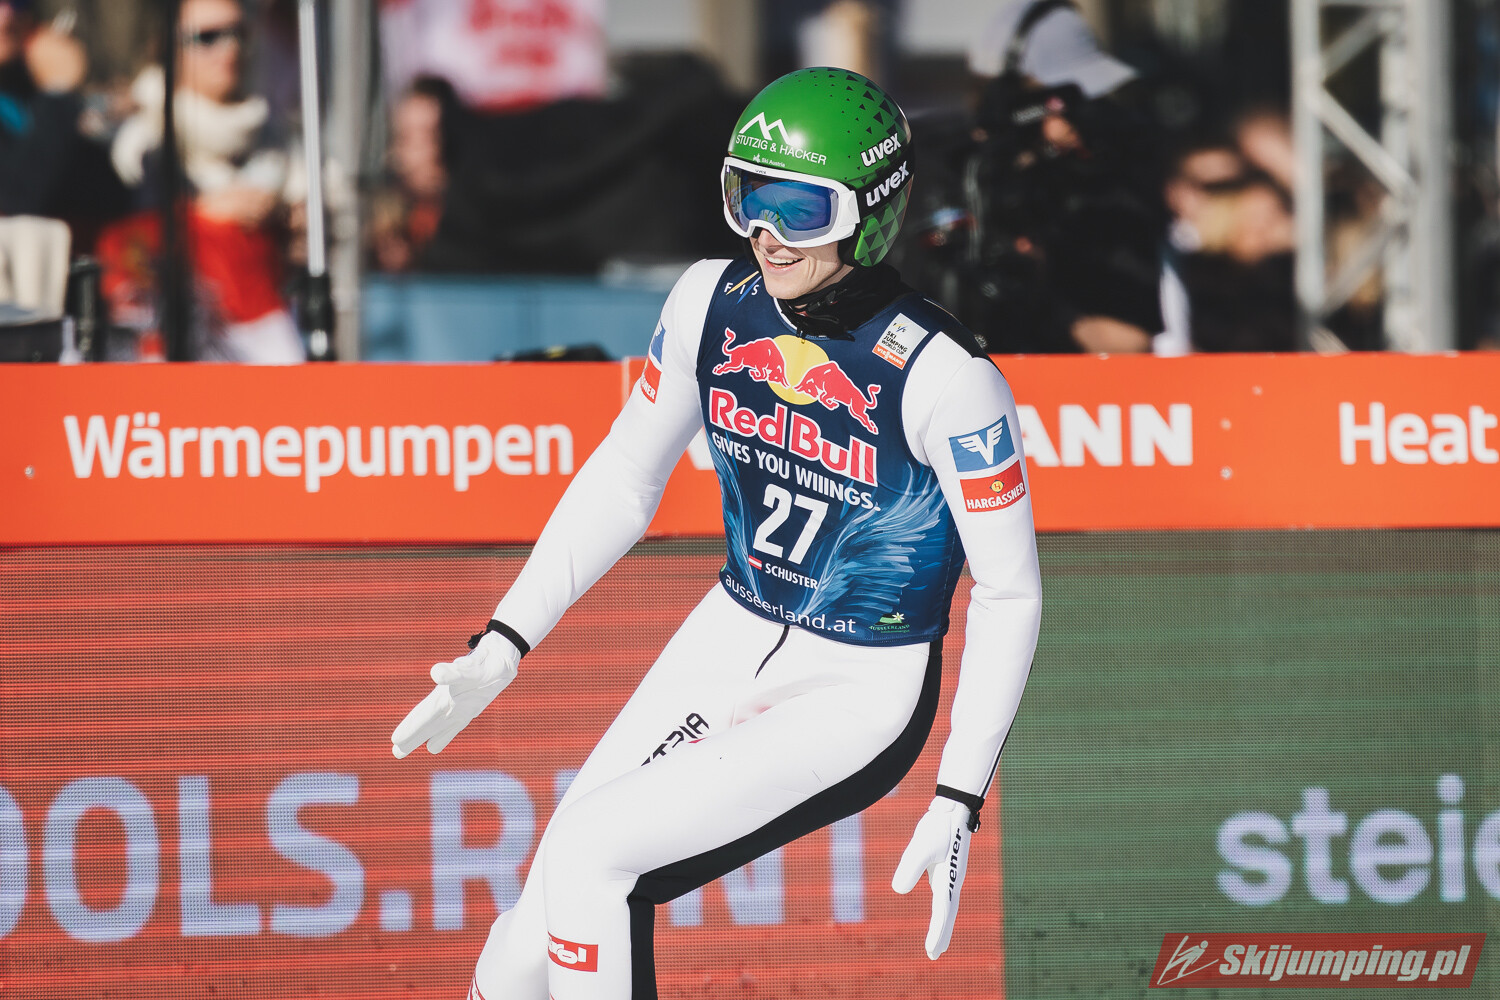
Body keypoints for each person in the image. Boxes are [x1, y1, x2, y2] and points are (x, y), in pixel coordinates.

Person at [392, 67, 1042, 1000]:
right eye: (748, 197)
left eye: (800, 209)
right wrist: (505, 639)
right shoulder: (708, 300)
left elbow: (1010, 590)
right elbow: (626, 475)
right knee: (520, 946)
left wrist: (961, 790)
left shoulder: (948, 376)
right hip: (732, 629)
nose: (766, 233)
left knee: (590, 853)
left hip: (861, 683)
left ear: (871, 213)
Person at [902, 0, 1167, 354]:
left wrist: (1040, 298)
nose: (1078, 123)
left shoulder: (1102, 192)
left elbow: (1134, 345)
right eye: (1065, 103)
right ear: (1009, 99)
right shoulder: (922, 172)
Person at [108, 0, 304, 362]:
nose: (229, 49)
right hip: (183, 351)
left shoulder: (279, 144)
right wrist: (202, 216)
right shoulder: (140, 144)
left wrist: (289, 224)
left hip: (269, 347)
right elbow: (127, 249)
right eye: (207, 37)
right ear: (167, 46)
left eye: (238, 34)